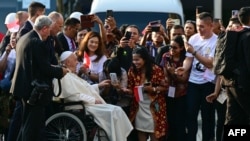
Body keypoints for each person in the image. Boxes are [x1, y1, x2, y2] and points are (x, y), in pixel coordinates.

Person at [10, 15, 68, 141]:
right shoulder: (36, 42)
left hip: (23, 88)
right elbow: (44, 68)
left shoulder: (25, 37)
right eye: (49, 30)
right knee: (31, 128)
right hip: (33, 91)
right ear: (45, 28)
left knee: (25, 125)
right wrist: (61, 71)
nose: (49, 35)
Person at [53, 51, 133, 141]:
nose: (77, 63)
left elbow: (84, 89)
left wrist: (99, 86)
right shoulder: (63, 76)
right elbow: (71, 96)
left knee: (117, 110)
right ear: (68, 62)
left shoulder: (71, 74)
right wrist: (92, 100)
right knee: (113, 111)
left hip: (87, 104)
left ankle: (119, 138)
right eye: (75, 60)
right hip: (81, 106)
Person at [176, 12, 217, 141]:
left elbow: (210, 63)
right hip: (193, 82)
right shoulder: (193, 38)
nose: (199, 29)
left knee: (207, 116)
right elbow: (189, 59)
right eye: (198, 26)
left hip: (208, 82)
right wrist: (184, 68)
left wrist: (194, 51)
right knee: (191, 114)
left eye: (202, 26)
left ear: (211, 25)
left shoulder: (216, 40)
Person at [126, 47, 168, 141]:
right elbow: (130, 88)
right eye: (133, 60)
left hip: (154, 106)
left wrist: (152, 89)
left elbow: (165, 87)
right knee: (141, 131)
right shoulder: (132, 70)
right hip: (139, 107)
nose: (135, 62)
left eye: (137, 60)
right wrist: (122, 90)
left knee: (155, 133)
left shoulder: (156, 69)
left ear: (144, 58)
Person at [223, 6, 250, 126]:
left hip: (229, 82)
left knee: (233, 118)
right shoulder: (248, 36)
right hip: (244, 85)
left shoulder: (232, 34)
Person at [160, 35, 189, 141]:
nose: (171, 50)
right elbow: (165, 76)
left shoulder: (186, 59)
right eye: (170, 47)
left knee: (180, 121)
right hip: (169, 92)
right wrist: (170, 76)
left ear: (181, 48)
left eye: (175, 47)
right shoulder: (166, 56)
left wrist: (173, 74)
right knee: (170, 120)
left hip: (182, 93)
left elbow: (184, 79)